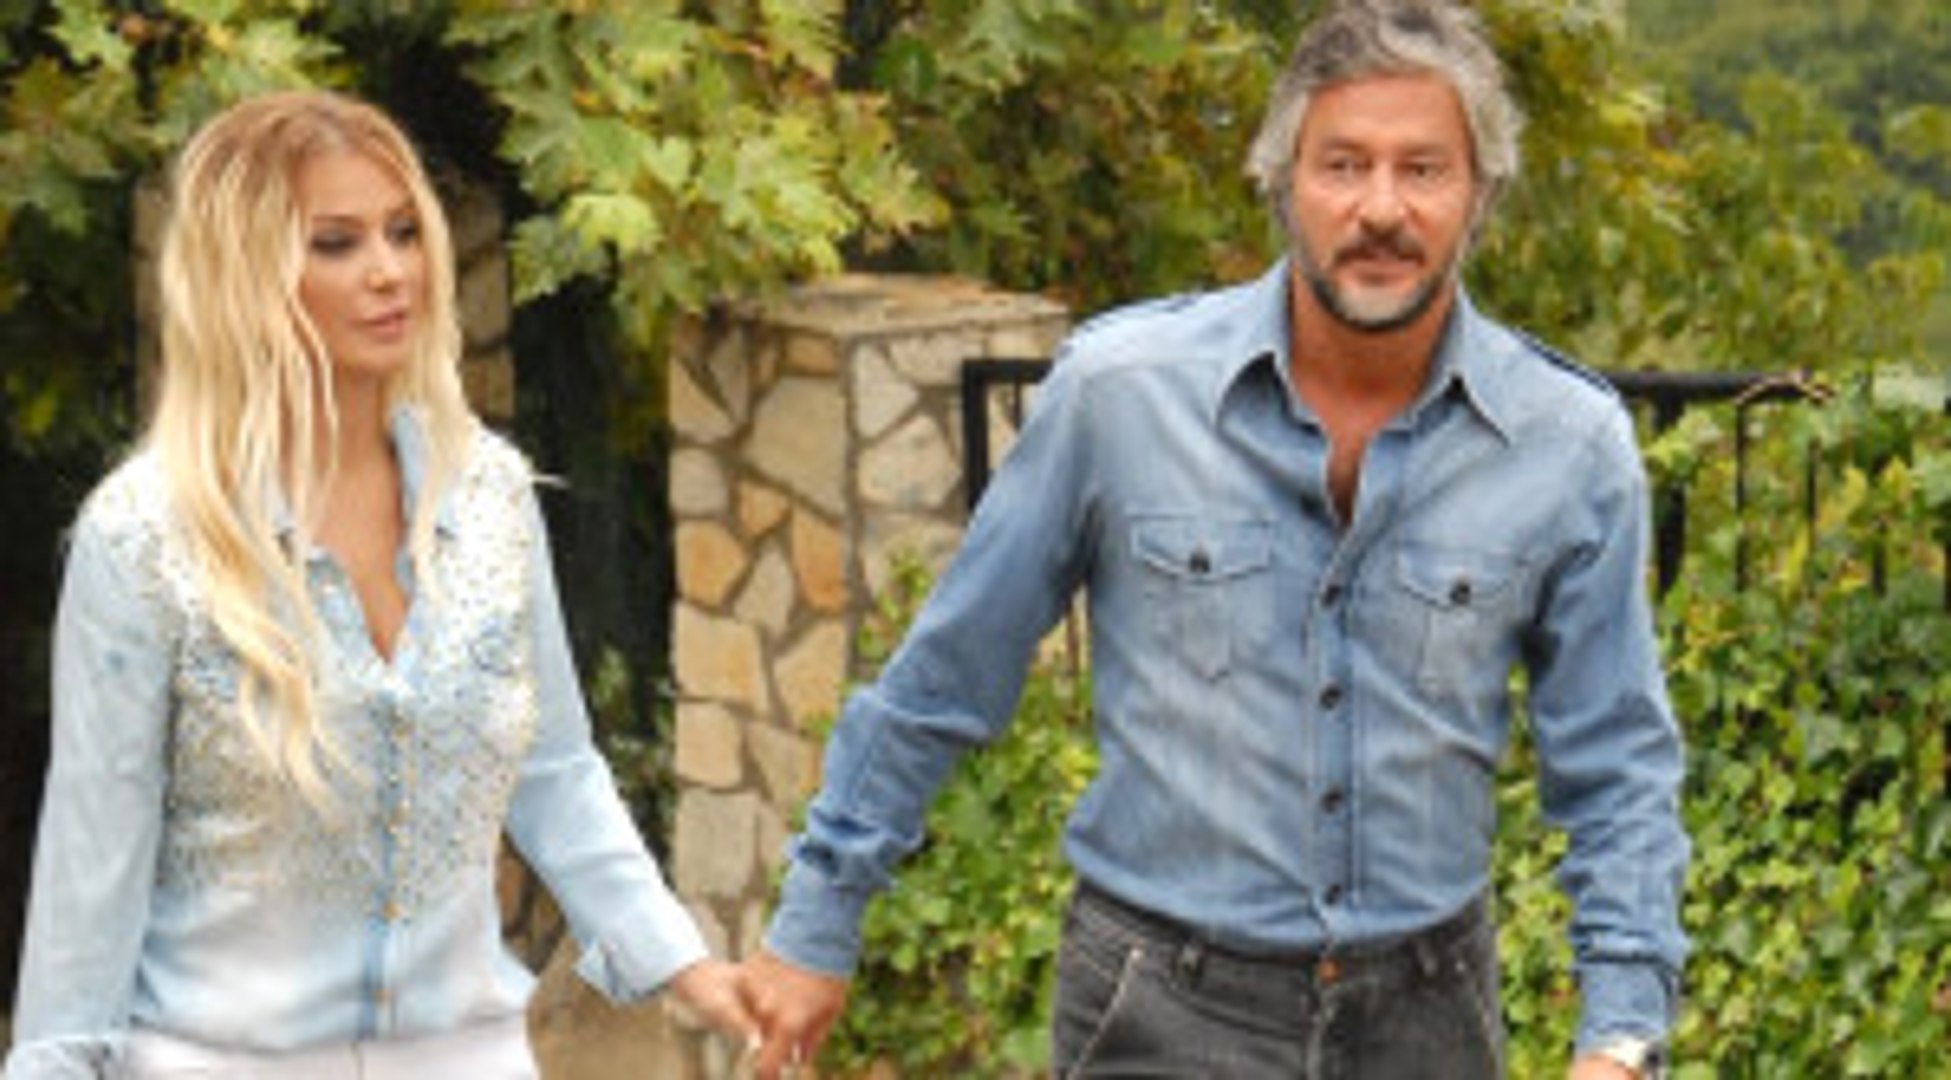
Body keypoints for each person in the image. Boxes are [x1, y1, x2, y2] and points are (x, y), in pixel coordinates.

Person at [743, 1, 1689, 1077]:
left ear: (1481, 193)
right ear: (1281, 181)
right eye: (1342, 165)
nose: (1381, 208)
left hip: (1427, 1022)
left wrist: (1621, 1036)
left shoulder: (1569, 446)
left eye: (1423, 169)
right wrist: (816, 922)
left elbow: (1617, 766)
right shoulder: (1119, 395)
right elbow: (947, 674)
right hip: (1157, 1008)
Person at [5, 90, 755, 1078]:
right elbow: (93, 861)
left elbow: (556, 772)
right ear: (243, 275)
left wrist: (684, 965)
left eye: (403, 233)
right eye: (336, 243)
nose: (390, 271)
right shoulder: (145, 540)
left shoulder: (489, 496)